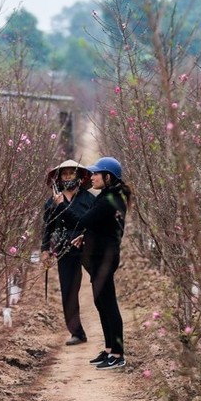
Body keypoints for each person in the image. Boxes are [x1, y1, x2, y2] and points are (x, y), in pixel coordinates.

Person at [53, 156, 131, 370]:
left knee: (109, 305)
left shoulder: (110, 199)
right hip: (98, 255)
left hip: (103, 257)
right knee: (100, 303)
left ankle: (118, 354)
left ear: (108, 176)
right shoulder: (108, 195)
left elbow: (81, 220)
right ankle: (108, 350)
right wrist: (85, 236)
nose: (93, 177)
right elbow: (99, 225)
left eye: (97, 173)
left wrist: (61, 206)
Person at [41, 159, 95, 346]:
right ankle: (77, 333)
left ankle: (109, 331)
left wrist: (62, 206)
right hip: (64, 250)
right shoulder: (51, 202)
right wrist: (45, 250)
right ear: (59, 178)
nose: (67, 177)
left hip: (88, 248)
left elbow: (83, 222)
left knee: (101, 287)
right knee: (68, 292)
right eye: (64, 174)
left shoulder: (89, 200)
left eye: (71, 173)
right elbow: (47, 228)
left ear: (79, 176)